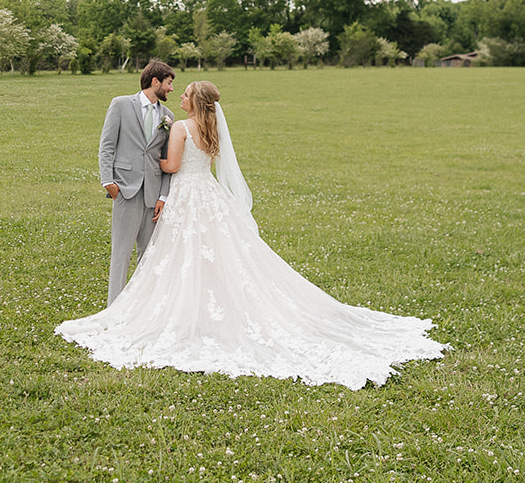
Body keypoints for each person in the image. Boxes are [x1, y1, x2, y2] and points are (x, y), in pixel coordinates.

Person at [58, 80, 445, 389]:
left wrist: (149, 160)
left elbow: (172, 164)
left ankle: (180, 312)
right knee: (221, 254)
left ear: (193, 101)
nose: (183, 96)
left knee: (179, 254)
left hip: (188, 196)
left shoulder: (179, 125)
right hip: (209, 194)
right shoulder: (212, 129)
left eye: (187, 93)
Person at [96, 60, 176, 305]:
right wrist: (108, 182)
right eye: (169, 82)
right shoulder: (120, 104)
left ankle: (139, 310)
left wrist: (163, 196)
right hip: (125, 191)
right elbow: (107, 146)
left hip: (153, 197)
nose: (171, 89)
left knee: (148, 256)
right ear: (155, 81)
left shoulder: (168, 117)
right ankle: (114, 308)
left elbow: (165, 159)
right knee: (120, 255)